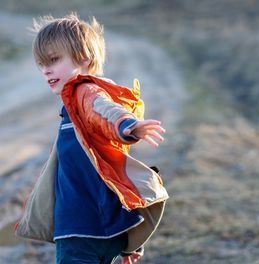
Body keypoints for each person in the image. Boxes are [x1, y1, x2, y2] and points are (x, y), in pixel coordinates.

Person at [15, 13, 169, 264]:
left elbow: (104, 110)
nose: (46, 69)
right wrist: (129, 241)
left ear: (84, 59)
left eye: (54, 60)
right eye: (41, 64)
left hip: (79, 230)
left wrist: (126, 124)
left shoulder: (82, 91)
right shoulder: (74, 107)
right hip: (108, 229)